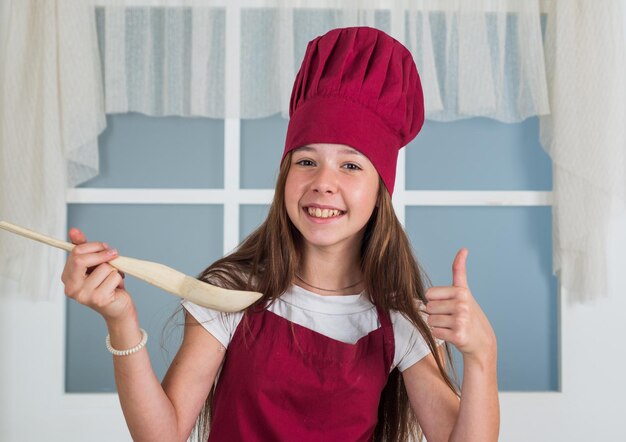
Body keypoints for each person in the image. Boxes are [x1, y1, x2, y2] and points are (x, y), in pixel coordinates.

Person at [61, 26, 499, 442]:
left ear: (381, 190)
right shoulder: (230, 293)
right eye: (306, 161)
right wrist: (120, 321)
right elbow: (162, 434)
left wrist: (482, 356)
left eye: (350, 165)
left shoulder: (401, 320)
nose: (323, 182)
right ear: (285, 176)